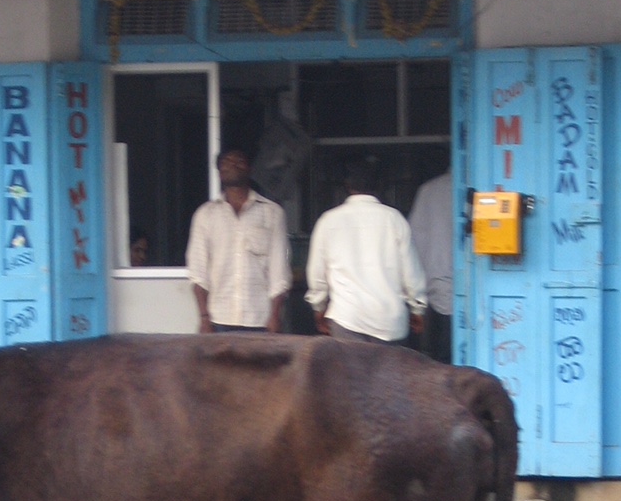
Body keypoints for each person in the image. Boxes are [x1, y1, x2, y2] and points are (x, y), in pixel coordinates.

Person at [305, 157, 427, 344]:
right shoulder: (394, 219)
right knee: (388, 365)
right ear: (380, 185)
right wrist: (417, 308)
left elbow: (317, 273)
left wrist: (318, 307)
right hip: (389, 321)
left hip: (347, 317)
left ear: (347, 185)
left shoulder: (328, 220)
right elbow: (411, 271)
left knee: (350, 365)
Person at [185, 148, 291, 333]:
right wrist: (204, 318)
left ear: (250, 169)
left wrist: (274, 316)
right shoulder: (205, 215)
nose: (233, 164)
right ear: (219, 172)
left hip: (260, 320)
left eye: (239, 161)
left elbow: (279, 272)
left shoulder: (272, 213)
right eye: (226, 162)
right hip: (218, 319)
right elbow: (198, 272)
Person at [408, 169, 453, 363]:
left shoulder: (429, 190)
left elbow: (414, 243)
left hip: (436, 284)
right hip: (475, 289)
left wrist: (415, 298)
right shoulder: (485, 186)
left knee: (440, 358)